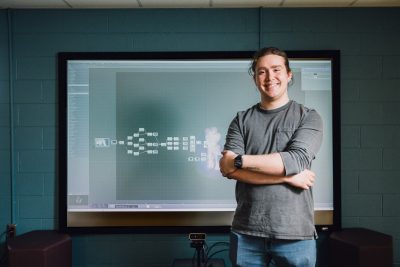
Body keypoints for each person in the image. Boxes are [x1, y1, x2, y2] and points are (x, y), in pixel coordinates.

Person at [219, 47, 323, 267]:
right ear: (255, 78)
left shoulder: (309, 117)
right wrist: (286, 177)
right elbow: (227, 169)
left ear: (288, 74)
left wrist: (240, 160)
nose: (269, 77)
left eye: (276, 69)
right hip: (246, 232)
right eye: (262, 71)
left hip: (295, 234)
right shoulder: (241, 120)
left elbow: (295, 161)